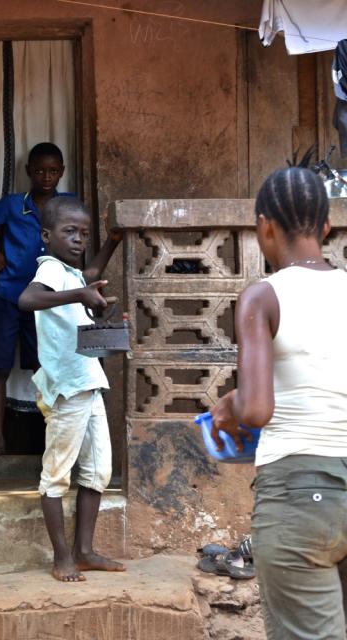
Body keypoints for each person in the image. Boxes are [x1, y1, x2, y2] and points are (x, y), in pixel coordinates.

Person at [210, 167, 347, 639]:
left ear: (264, 227)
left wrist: (229, 403)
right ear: (327, 227)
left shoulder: (263, 297)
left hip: (298, 498)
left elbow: (256, 411)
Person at [17, 196, 124, 582]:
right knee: (57, 476)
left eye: (84, 233)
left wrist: (111, 240)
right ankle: (62, 556)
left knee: (97, 472)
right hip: (67, 390)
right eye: (69, 232)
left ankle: (84, 550)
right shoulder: (50, 269)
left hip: (89, 384)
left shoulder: (71, 273)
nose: (79, 240)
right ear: (46, 236)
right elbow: (27, 300)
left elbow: (90, 271)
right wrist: (81, 294)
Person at [0, 142, 71, 458]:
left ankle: (52, 441)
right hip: (7, 296)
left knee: (45, 369)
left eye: (53, 171)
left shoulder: (67, 205)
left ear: (62, 172)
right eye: (39, 170)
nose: (46, 177)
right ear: (28, 172)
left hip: (45, 301)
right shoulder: (13, 205)